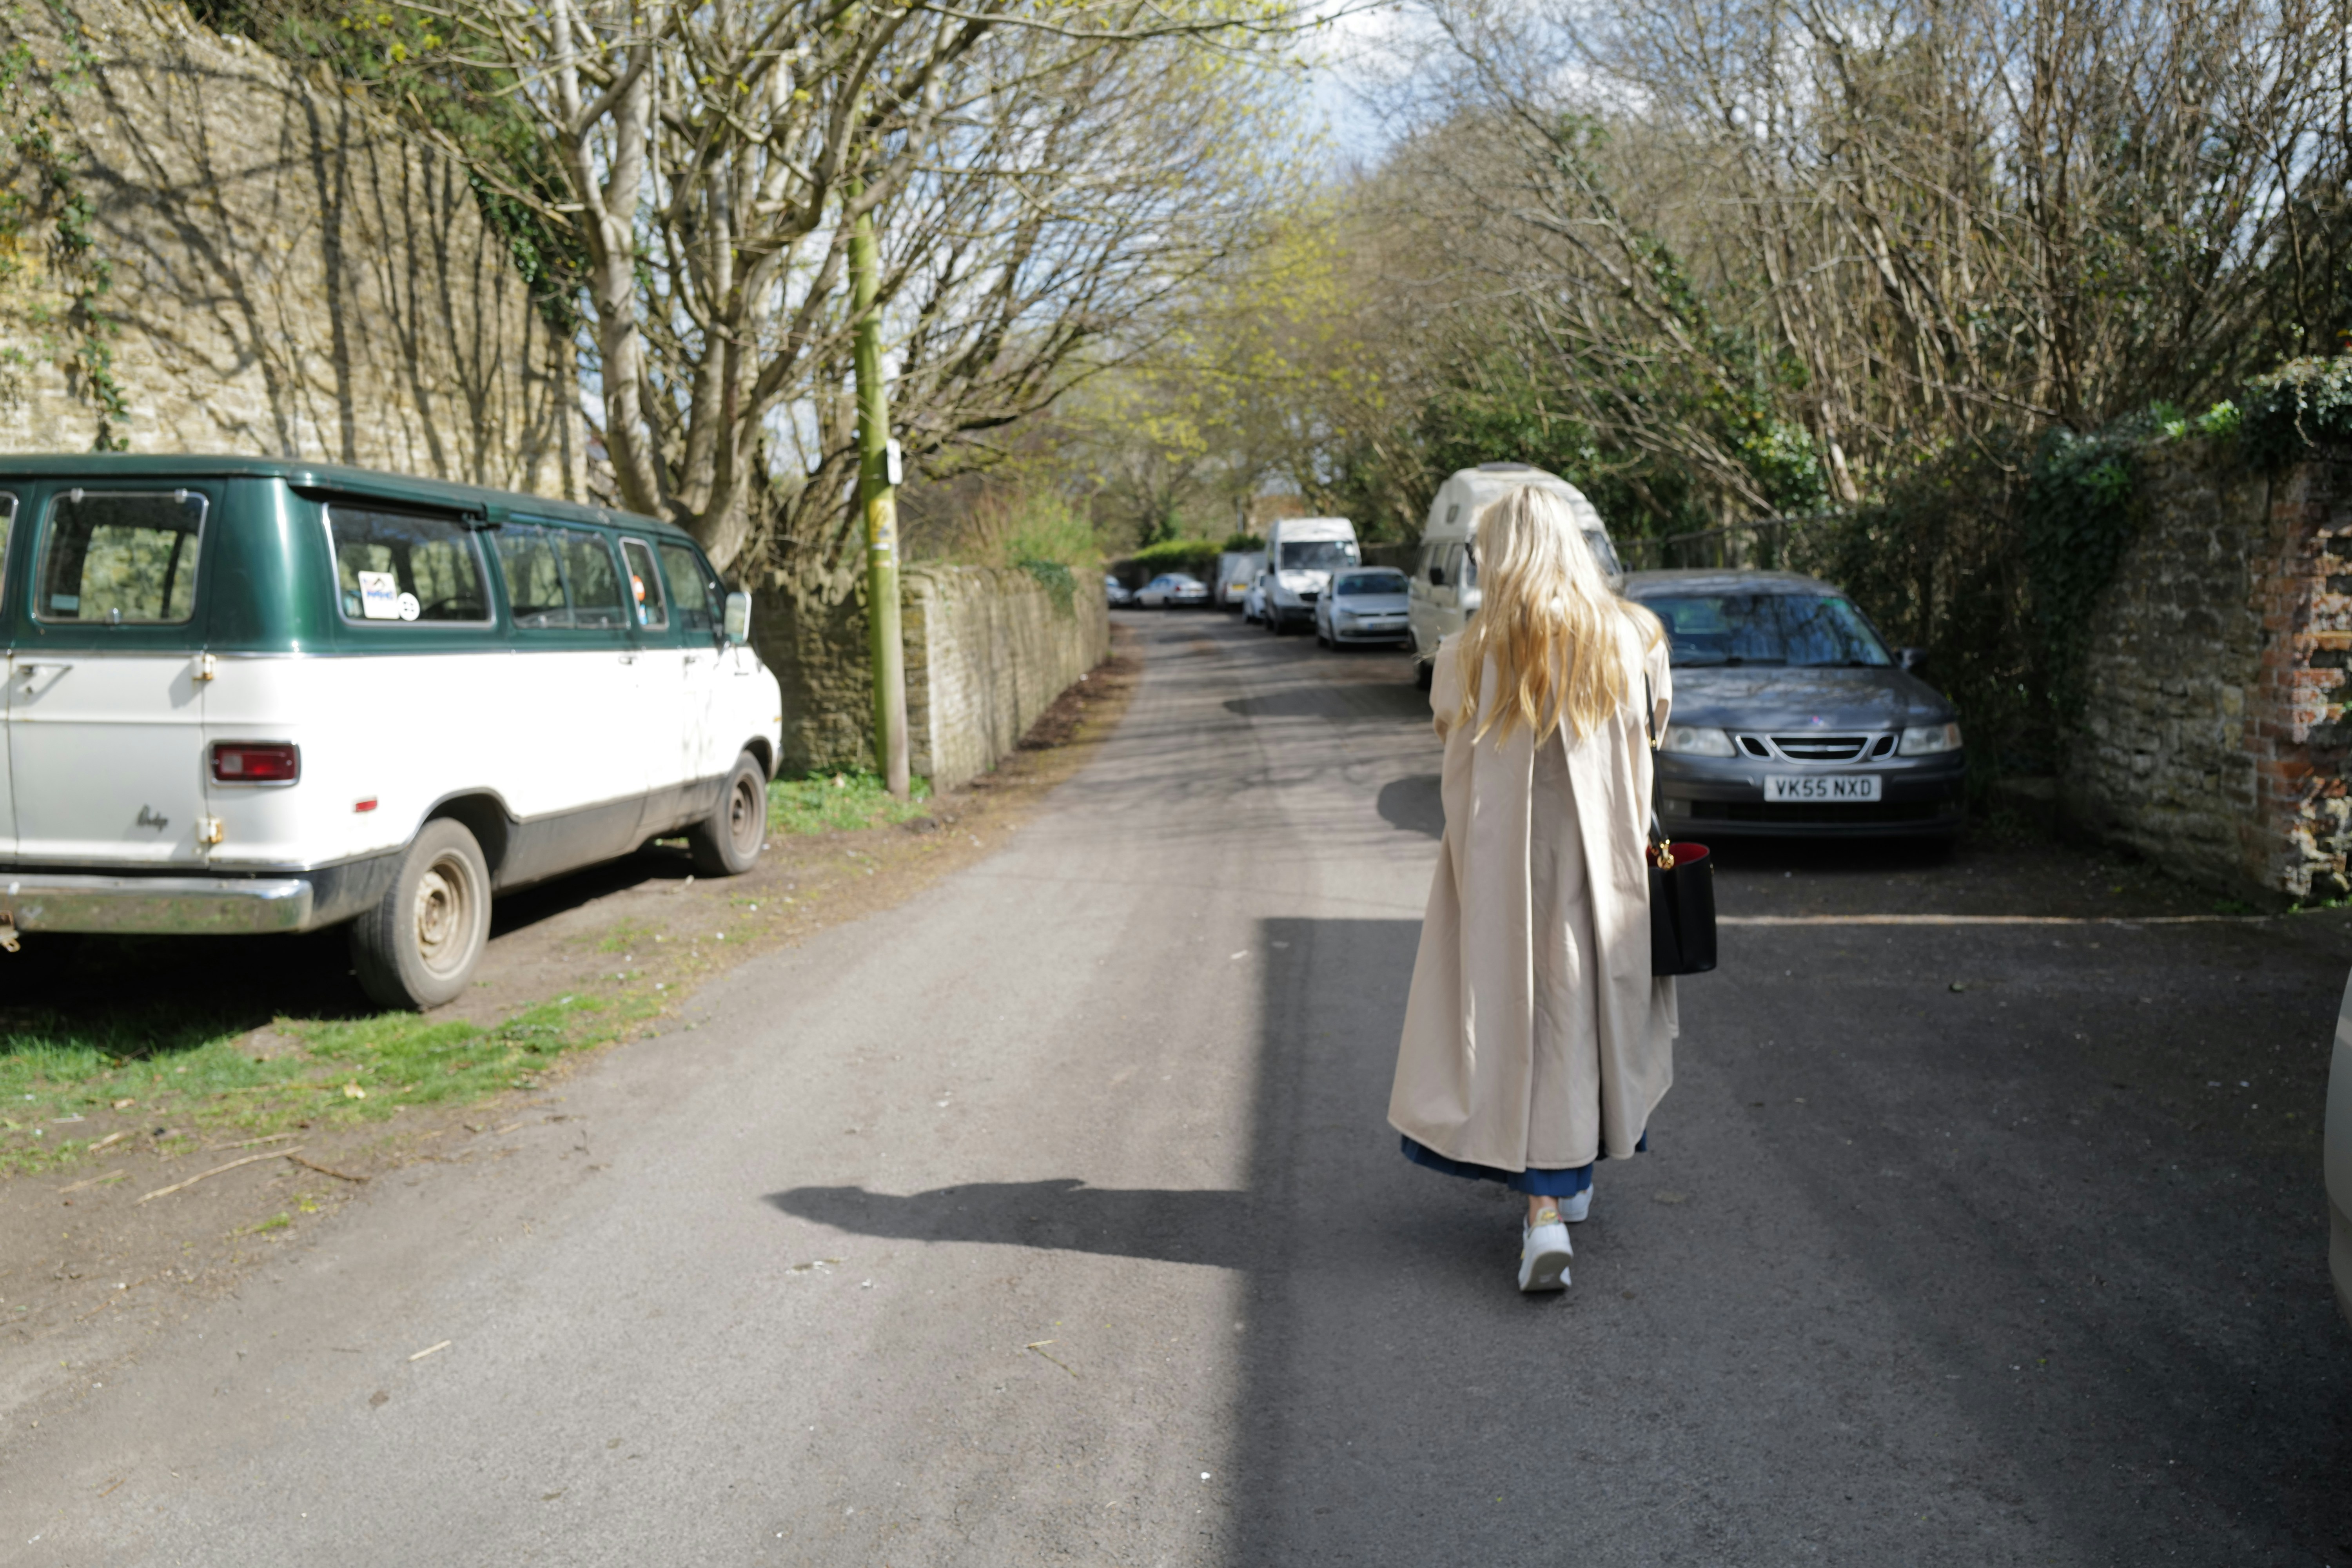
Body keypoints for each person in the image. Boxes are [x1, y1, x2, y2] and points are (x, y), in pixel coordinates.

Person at [1387, 485, 1677, 1292]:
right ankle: (1560, 1187)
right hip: (1606, 876)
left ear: (1503, 555)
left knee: (1519, 1020)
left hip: (1502, 879)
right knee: (1586, 1016)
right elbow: (1657, 729)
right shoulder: (1637, 638)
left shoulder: (1469, 651)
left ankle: (1545, 1207)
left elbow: (1450, 734)